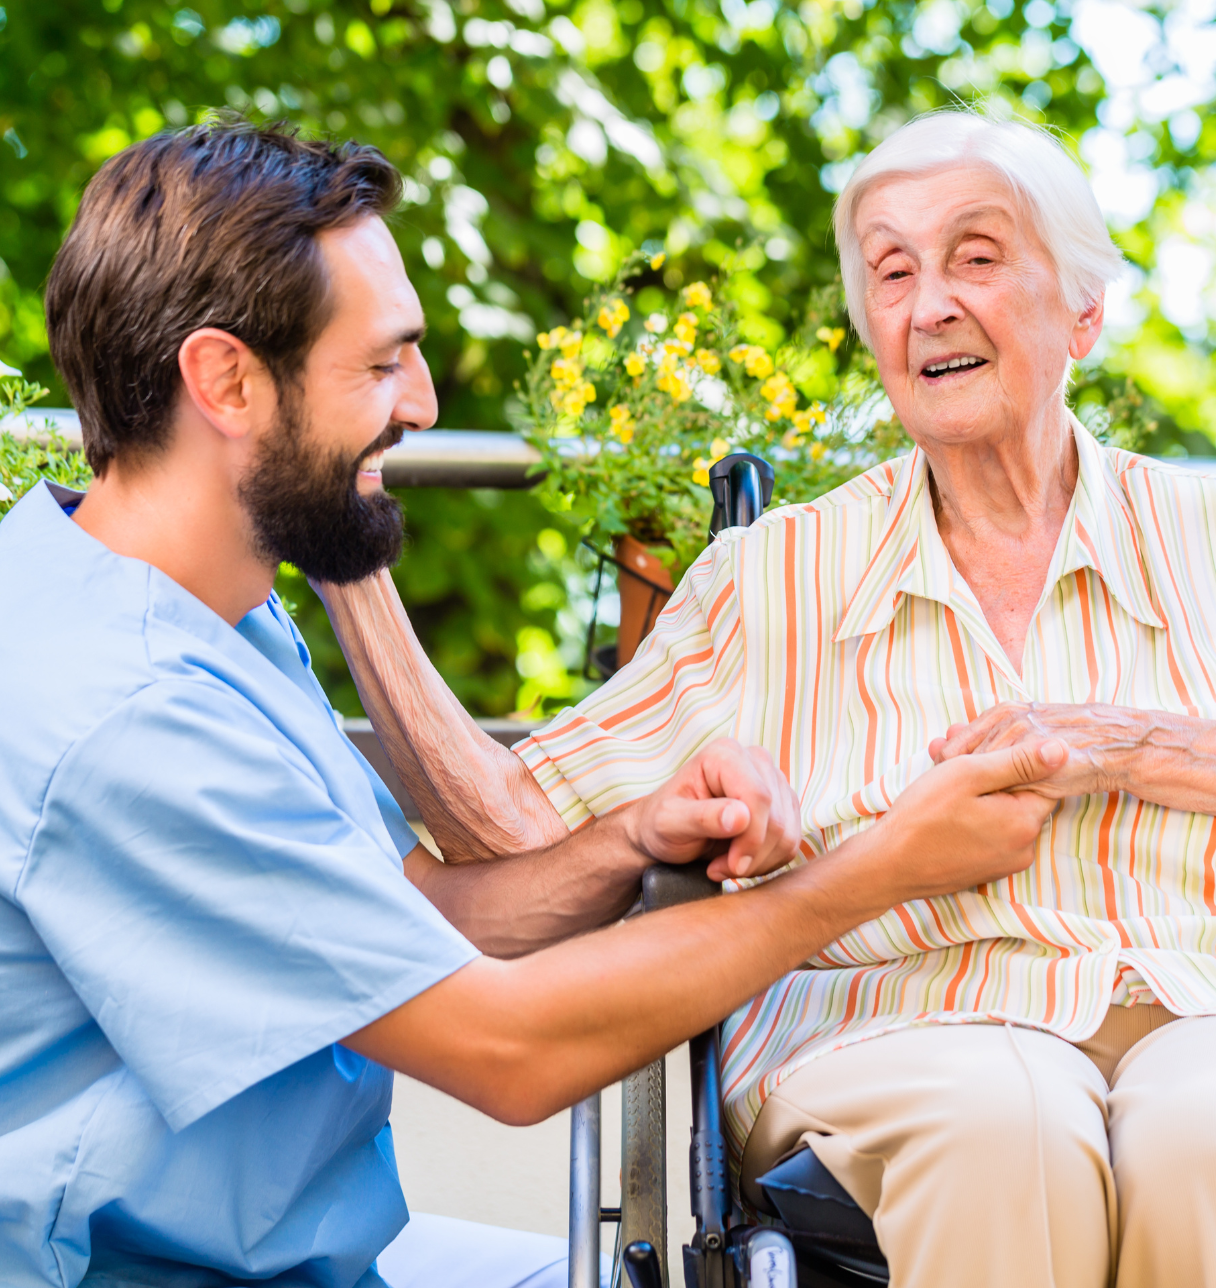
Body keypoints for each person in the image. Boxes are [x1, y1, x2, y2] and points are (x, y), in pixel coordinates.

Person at [0, 119, 1062, 1288]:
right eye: (380, 362)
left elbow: (417, 919)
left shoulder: (208, 612)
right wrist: (881, 867)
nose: (421, 399)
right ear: (225, 380)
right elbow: (504, 1047)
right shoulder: (123, 710)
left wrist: (629, 840)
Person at [325, 111, 1216, 1288]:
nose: (929, 303)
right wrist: (345, 549)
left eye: (977, 257)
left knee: (1199, 1131)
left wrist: (1125, 740)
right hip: (896, 1031)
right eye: (892, 273)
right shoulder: (779, 575)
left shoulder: (1198, 535)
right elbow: (513, 822)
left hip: (1186, 1001)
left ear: (1084, 312)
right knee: (1008, 1127)